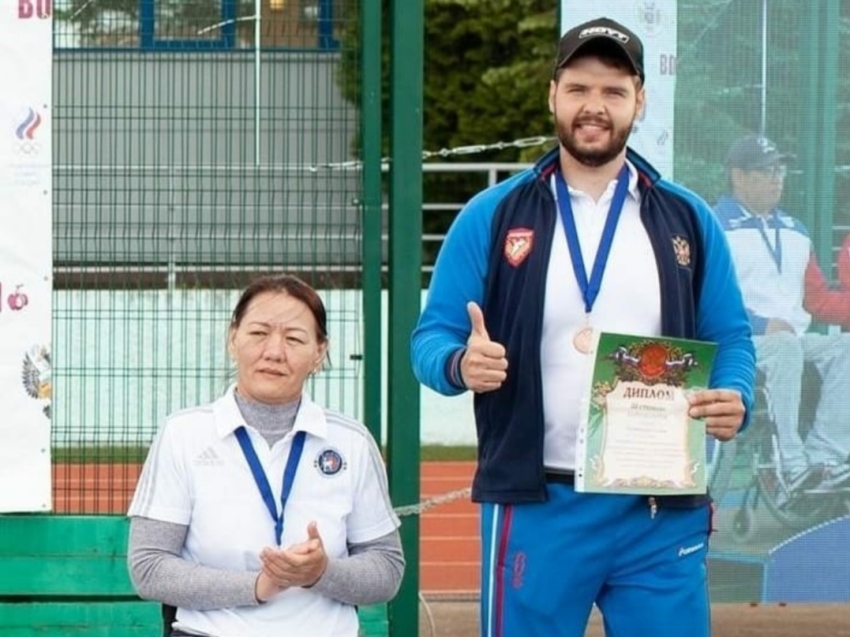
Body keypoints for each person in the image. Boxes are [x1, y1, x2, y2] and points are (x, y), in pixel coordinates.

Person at [411, 16, 755, 637]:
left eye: (614, 91)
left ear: (640, 101)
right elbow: (429, 338)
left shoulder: (686, 218)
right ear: (552, 94)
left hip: (659, 507)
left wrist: (737, 395)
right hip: (539, 502)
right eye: (579, 89)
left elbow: (730, 336)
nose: (595, 107)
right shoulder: (491, 215)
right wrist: (461, 364)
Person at [127, 274, 403, 637]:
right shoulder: (183, 434)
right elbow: (149, 566)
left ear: (319, 352)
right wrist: (257, 586)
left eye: (294, 338)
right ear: (233, 339)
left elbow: (387, 570)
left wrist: (321, 572)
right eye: (258, 333)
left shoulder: (350, 442)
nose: (274, 351)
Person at [715, 134, 850, 493]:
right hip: (735, 341)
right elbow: (701, 296)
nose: (777, 178)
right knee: (784, 346)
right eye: (766, 170)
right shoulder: (713, 227)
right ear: (739, 176)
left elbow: (816, 299)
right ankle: (790, 464)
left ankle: (826, 456)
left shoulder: (795, 230)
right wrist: (760, 323)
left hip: (790, 340)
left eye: (781, 170)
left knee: (846, 348)